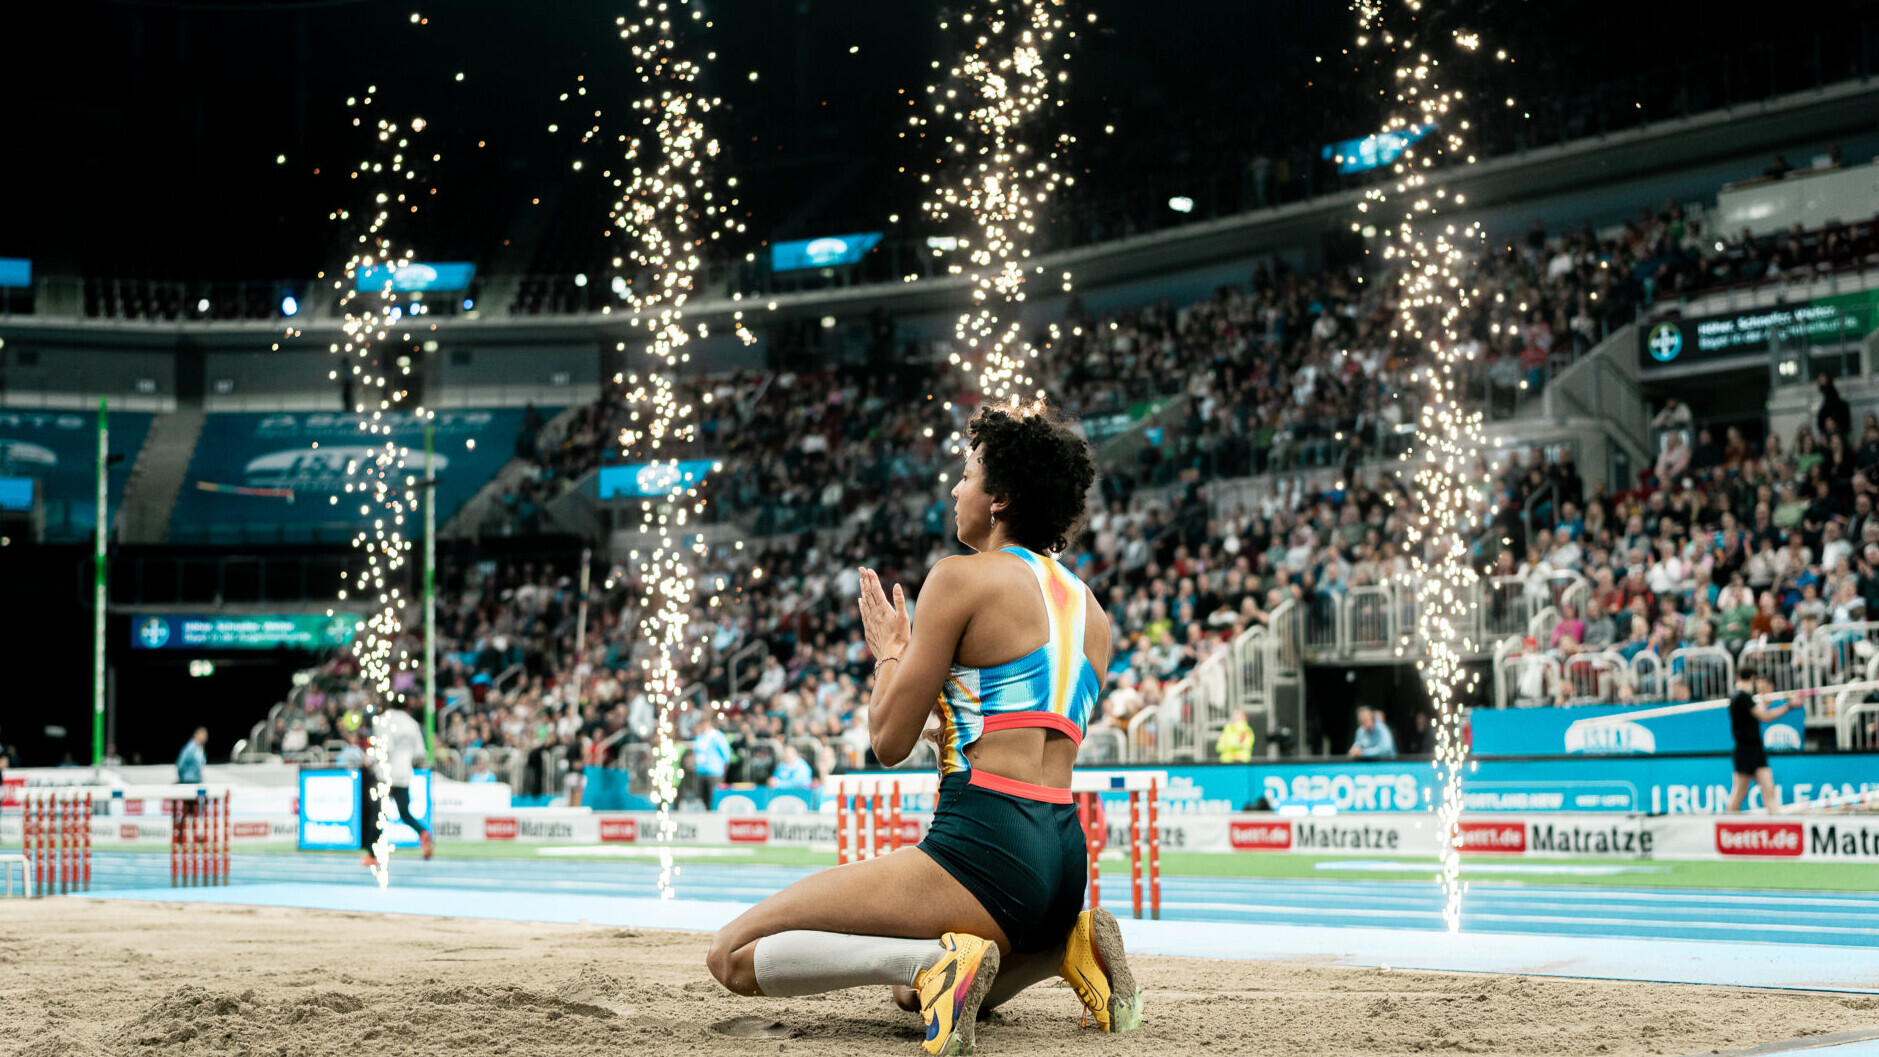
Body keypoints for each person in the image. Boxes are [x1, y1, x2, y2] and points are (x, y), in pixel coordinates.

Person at [705, 400, 1141, 1054]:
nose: (954, 488)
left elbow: (887, 742)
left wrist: (889, 649)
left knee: (732, 953)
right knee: (914, 997)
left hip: (986, 843)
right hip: (1062, 862)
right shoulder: (1092, 609)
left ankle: (932, 965)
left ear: (999, 498)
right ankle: (1064, 950)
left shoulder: (961, 578)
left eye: (966, 475)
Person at [366, 700, 434, 862]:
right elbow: (419, 753)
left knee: (378, 815)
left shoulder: (383, 720)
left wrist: (370, 759)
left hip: (386, 774)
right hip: (404, 774)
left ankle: (372, 855)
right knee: (404, 813)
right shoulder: (412, 723)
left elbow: (386, 748)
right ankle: (423, 832)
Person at [1726, 665, 1797, 814]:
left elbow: (1758, 713)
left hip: (1755, 751)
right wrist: (1789, 706)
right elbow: (1764, 716)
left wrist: (1764, 704)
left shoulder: (1742, 699)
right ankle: (1727, 824)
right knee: (1739, 793)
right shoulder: (1741, 697)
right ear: (1753, 679)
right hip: (1745, 751)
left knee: (1768, 789)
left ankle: (1775, 824)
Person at [690, 715, 731, 810]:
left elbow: (725, 752)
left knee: (714, 797)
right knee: (703, 798)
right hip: (700, 771)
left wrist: (725, 766)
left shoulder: (717, 736)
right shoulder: (699, 737)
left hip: (714, 771)